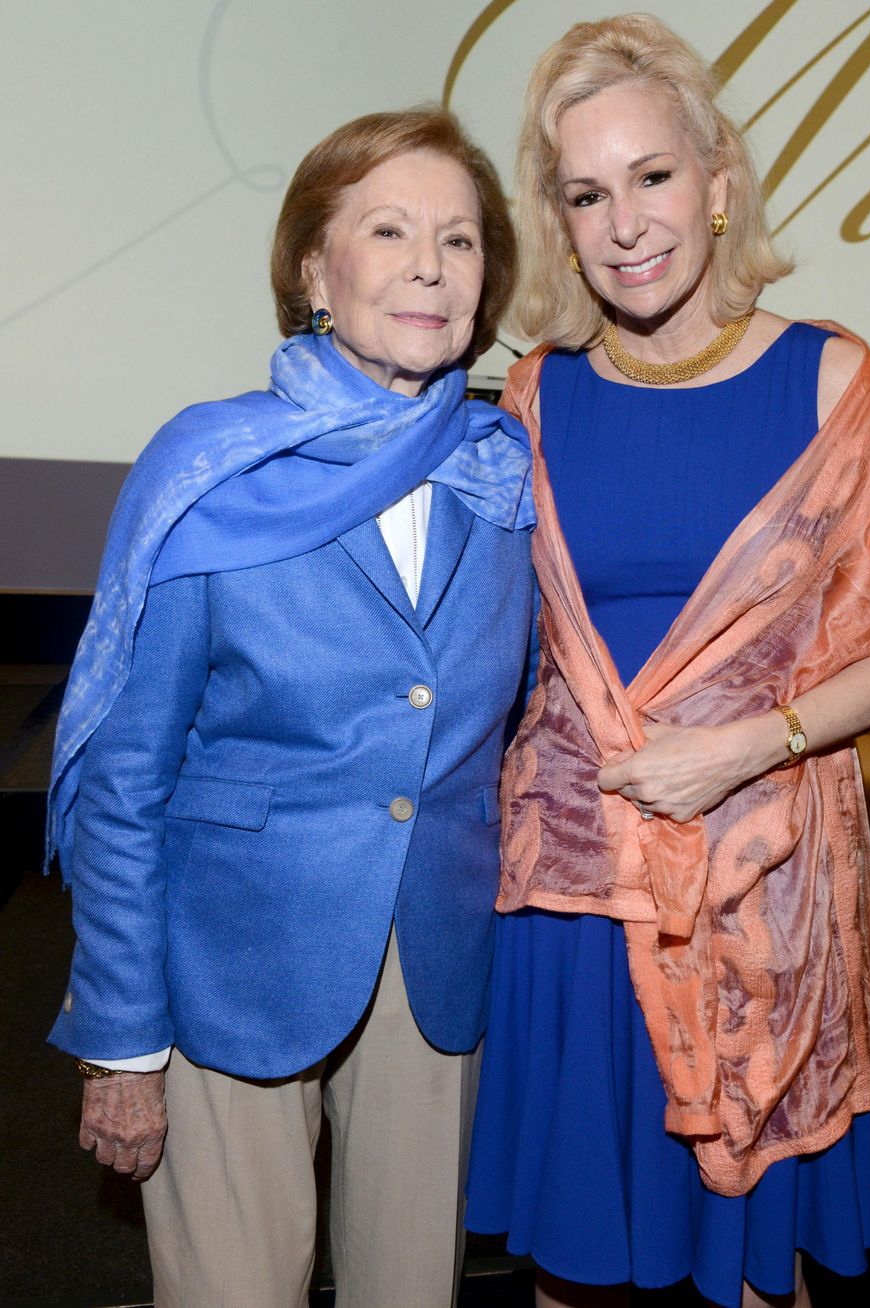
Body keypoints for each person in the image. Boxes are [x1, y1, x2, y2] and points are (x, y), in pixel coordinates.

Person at [465, 16, 870, 1308]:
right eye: (586, 195)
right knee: (572, 1265)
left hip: (760, 889)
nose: (624, 224)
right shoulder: (538, 392)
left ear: (718, 184)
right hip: (573, 889)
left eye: (653, 176)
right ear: (560, 223)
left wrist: (742, 749)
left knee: (754, 1272)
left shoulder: (831, 379)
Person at [47, 106, 535, 1308]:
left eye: (460, 240)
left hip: (437, 962)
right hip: (229, 964)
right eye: (389, 230)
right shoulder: (212, 472)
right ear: (315, 270)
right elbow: (124, 779)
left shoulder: (508, 476)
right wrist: (120, 1037)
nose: (429, 266)